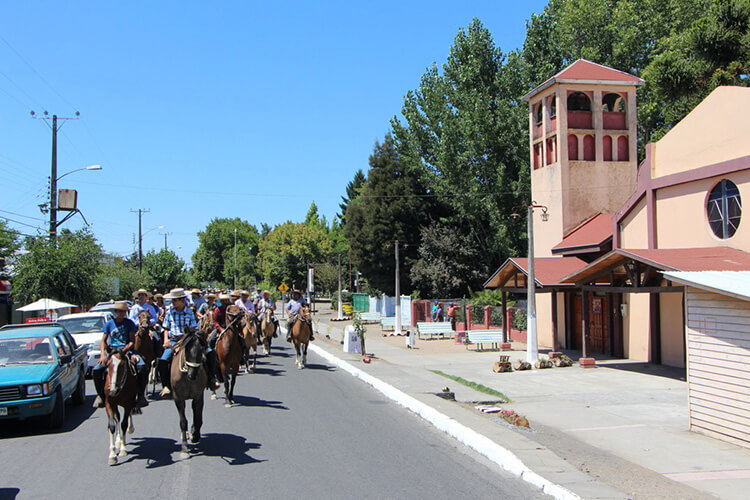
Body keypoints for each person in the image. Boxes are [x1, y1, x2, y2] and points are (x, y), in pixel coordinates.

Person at [92, 301, 149, 409]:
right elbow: (103, 340)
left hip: (127, 351)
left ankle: (141, 395)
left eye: (123, 312)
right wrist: (102, 355)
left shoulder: (129, 323)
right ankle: (100, 395)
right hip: (112, 351)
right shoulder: (109, 324)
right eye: (119, 311)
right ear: (115, 312)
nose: (121, 313)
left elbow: (132, 341)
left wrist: (125, 350)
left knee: (141, 367)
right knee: (97, 369)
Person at [158, 288, 200, 397]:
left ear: (182, 300)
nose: (173, 302)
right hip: (173, 340)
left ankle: (211, 379)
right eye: (172, 300)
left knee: (208, 353)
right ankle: (166, 385)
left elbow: (194, 328)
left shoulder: (189, 312)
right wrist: (166, 339)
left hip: (187, 340)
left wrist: (188, 335)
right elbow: (166, 328)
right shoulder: (170, 312)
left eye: (175, 300)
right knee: (162, 360)